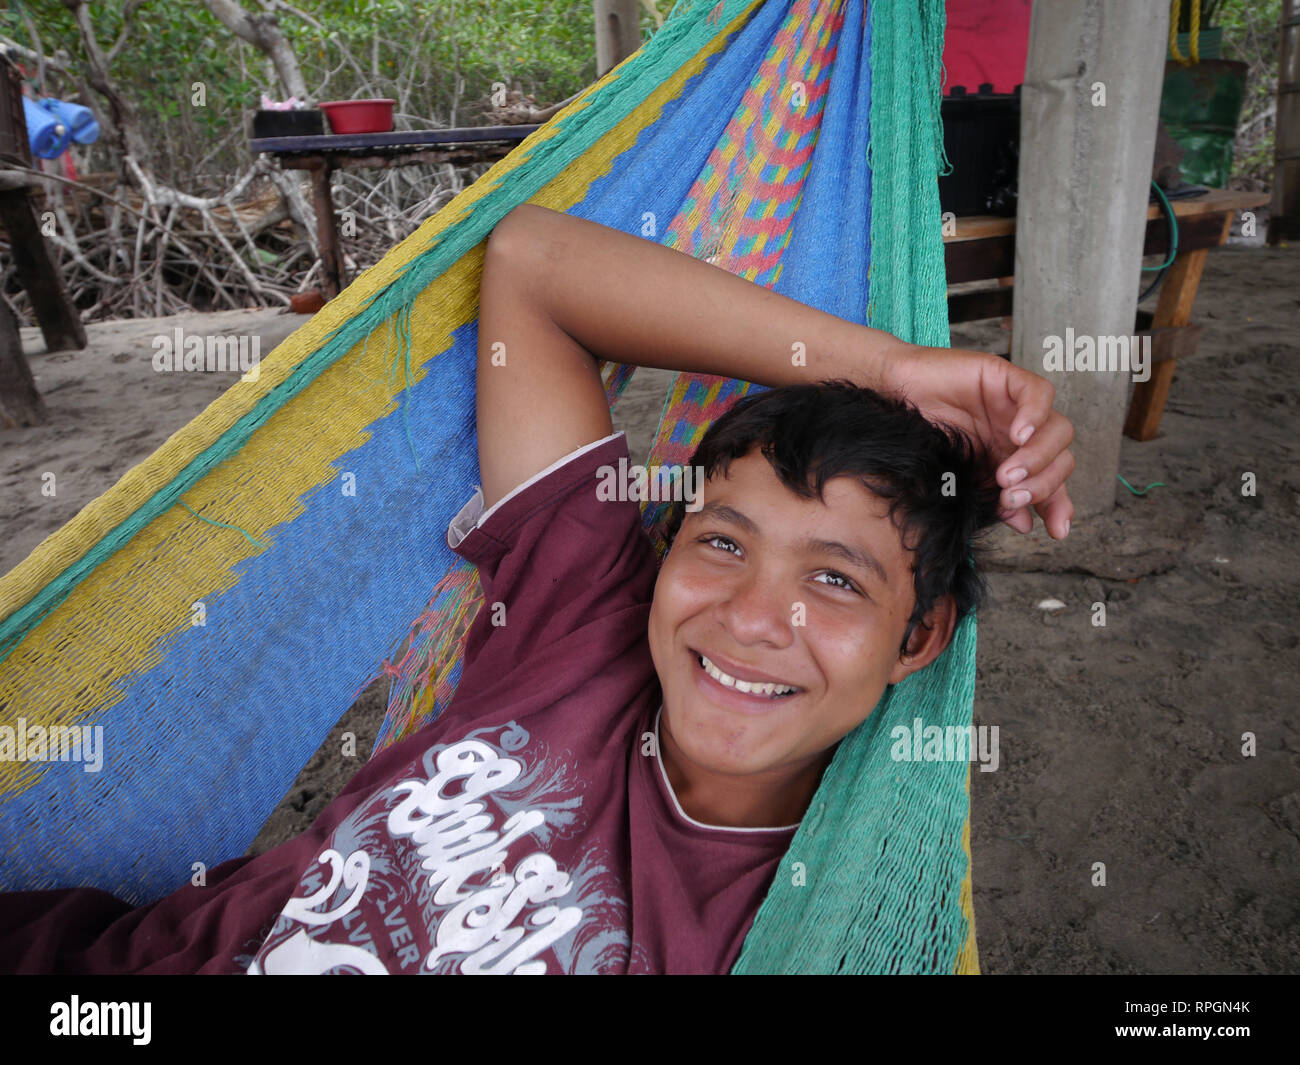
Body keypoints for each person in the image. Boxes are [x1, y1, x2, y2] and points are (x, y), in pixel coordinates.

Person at [0, 204, 1075, 974]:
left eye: (835, 578)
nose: (750, 619)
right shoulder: (580, 623)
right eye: (722, 544)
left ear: (921, 634)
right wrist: (888, 368)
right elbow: (534, 262)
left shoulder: (824, 919)